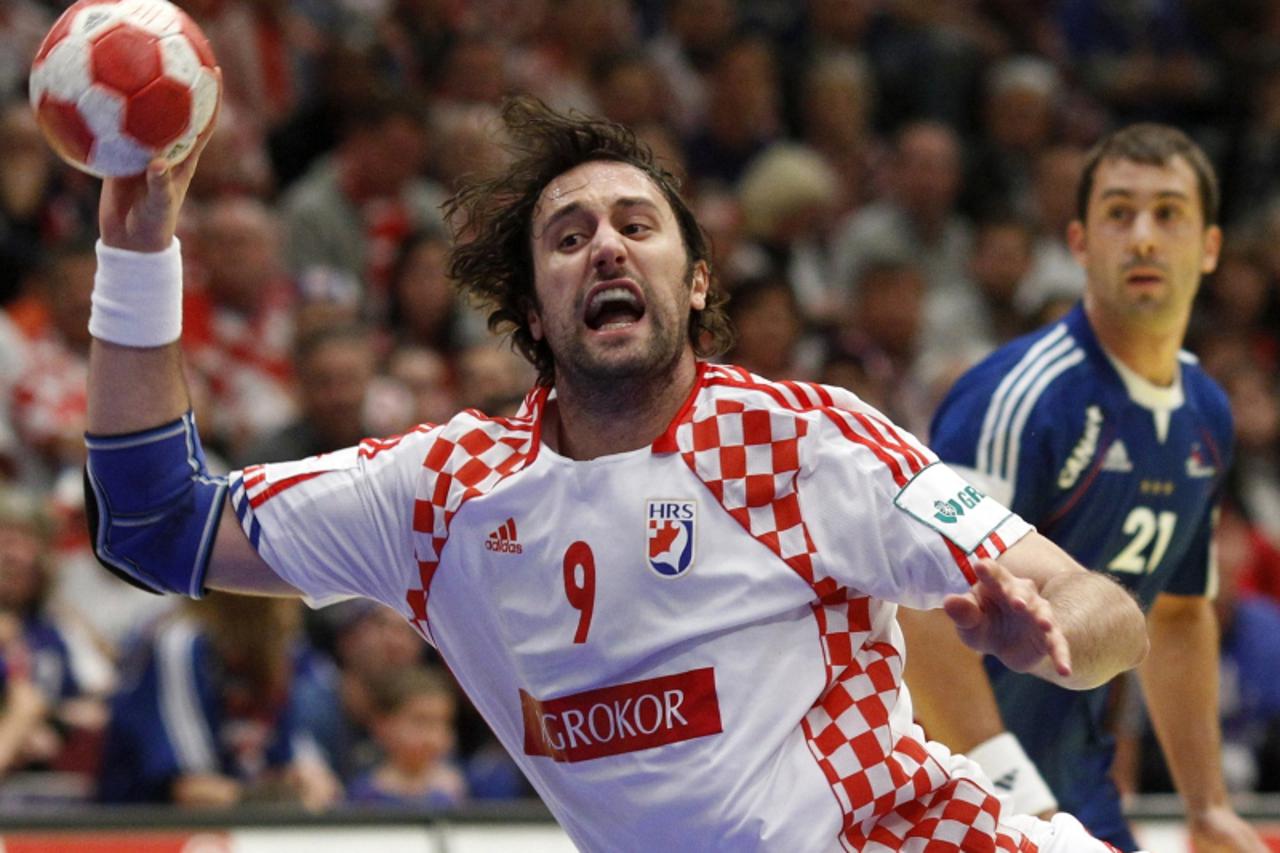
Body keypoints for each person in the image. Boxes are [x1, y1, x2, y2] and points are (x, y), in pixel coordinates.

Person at [82, 96, 1147, 851]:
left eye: (636, 227)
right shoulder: (445, 496)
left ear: (691, 286)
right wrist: (136, 259)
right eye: (567, 236)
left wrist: (1051, 640)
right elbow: (155, 523)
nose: (605, 248)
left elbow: (1101, 607)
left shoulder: (802, 442)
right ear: (531, 308)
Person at [899, 123, 1267, 853]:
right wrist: (1011, 797)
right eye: (1119, 212)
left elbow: (1179, 616)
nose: (1142, 237)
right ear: (1078, 241)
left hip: (1079, 789)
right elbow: (920, 610)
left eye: (1168, 214)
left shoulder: (1205, 412)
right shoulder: (1019, 396)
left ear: (1211, 247)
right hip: (955, 786)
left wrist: (1208, 807)